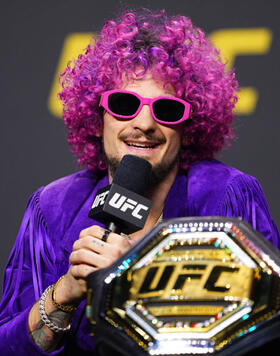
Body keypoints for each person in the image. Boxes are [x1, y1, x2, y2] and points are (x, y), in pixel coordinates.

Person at [0, 8, 279, 356]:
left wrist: (139, 276)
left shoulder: (226, 199)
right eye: (124, 104)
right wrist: (65, 292)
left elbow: (264, 333)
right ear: (97, 115)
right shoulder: (53, 207)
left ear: (189, 124)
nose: (144, 124)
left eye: (167, 109)